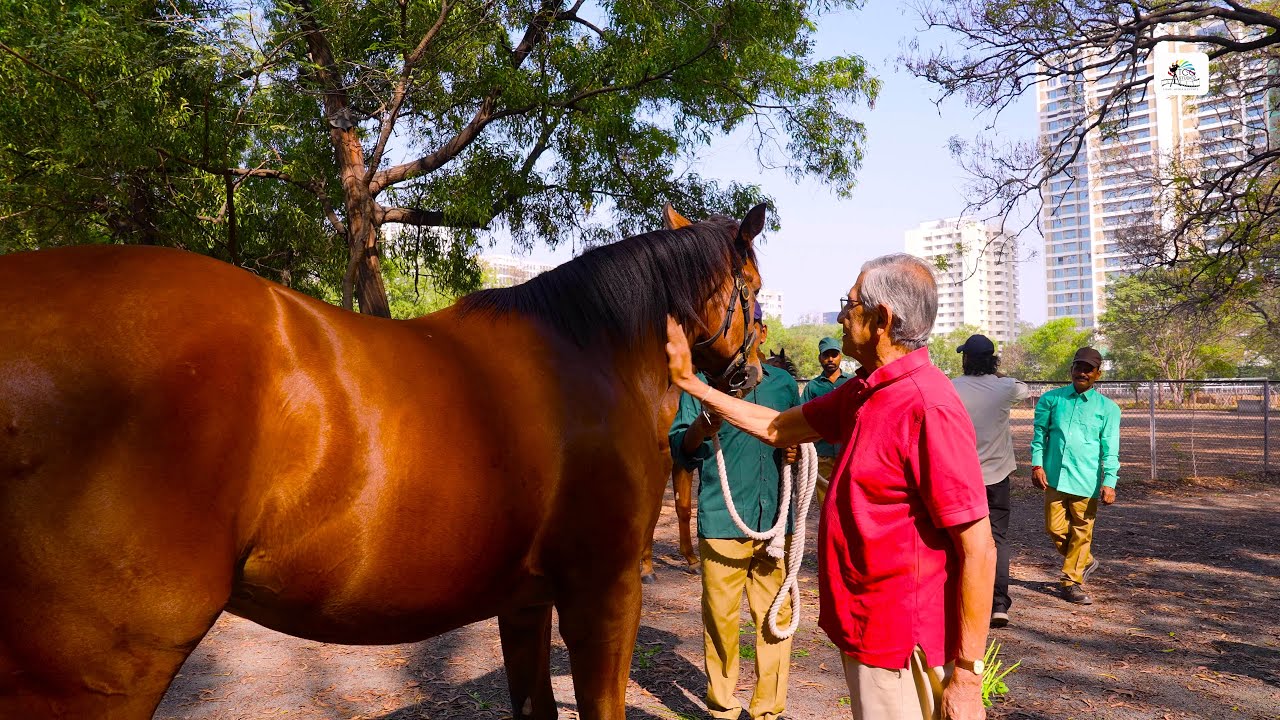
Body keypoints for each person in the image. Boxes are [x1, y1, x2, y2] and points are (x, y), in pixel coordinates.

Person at [665, 253, 996, 720]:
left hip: (900, 644)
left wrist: (967, 673)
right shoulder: (866, 391)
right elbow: (780, 428)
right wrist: (691, 385)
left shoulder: (928, 405)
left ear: (882, 319)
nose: (841, 314)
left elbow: (978, 547)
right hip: (867, 631)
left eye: (851, 303)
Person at [669, 301, 800, 720]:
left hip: (774, 525)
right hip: (723, 521)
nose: (746, 336)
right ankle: (723, 708)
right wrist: (703, 425)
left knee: (775, 620)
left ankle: (767, 711)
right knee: (721, 622)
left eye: (753, 327)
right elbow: (682, 448)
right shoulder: (704, 384)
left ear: (760, 332)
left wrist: (795, 447)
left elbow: (796, 435)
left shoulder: (783, 385)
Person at [1030, 347, 1121, 606]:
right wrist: (1037, 465)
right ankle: (1085, 559)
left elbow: (1110, 448)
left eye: (1088, 369)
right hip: (1055, 478)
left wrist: (1109, 482)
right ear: (1071, 369)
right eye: (1078, 367)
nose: (1082, 373)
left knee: (1082, 531)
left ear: (1097, 374)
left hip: (1086, 480)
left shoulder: (1109, 409)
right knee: (1054, 528)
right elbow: (1039, 436)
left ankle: (1071, 581)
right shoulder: (1051, 400)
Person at [951, 334, 1029, 629]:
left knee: (961, 538)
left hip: (963, 476)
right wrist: (998, 374)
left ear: (966, 359)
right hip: (996, 477)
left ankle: (963, 599)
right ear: (992, 360)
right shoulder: (1004, 387)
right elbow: (1022, 388)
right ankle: (998, 604)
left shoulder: (953, 388)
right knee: (997, 539)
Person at [801, 336, 852, 506]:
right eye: (826, 355)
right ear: (820, 358)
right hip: (822, 455)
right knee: (827, 504)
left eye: (834, 354)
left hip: (850, 453)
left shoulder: (852, 382)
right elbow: (804, 419)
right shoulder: (813, 387)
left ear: (840, 356)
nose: (830, 359)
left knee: (850, 501)